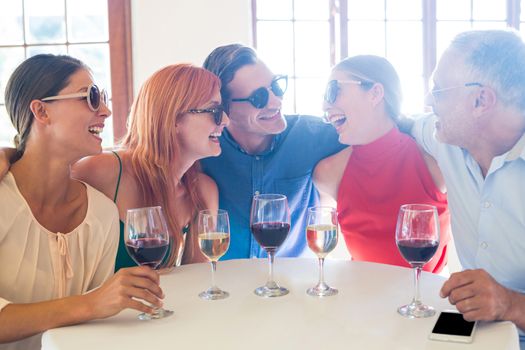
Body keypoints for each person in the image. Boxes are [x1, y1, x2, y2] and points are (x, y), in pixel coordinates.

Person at [0, 54, 164, 350]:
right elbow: (93, 307)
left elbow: (94, 327)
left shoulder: (101, 213)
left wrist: (99, 306)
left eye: (102, 97)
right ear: (41, 111)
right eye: (90, 97)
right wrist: (91, 303)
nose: (106, 110)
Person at [0, 63, 229, 270]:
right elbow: (42, 180)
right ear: (173, 118)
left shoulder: (204, 191)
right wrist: (7, 155)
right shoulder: (104, 172)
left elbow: (195, 280)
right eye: (214, 112)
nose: (226, 121)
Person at [412, 30, 525, 346]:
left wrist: (510, 304)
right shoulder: (444, 137)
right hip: (474, 333)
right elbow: (391, 121)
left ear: (480, 101)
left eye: (438, 91)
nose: (428, 102)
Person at [200, 44, 344, 259]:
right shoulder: (204, 148)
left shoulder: (309, 135)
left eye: (275, 87)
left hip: (294, 285)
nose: (276, 102)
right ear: (223, 107)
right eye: (258, 98)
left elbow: (382, 128)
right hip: (227, 286)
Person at [313, 55, 450, 273]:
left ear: (375, 93)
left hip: (428, 302)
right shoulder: (329, 173)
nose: (324, 105)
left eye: (333, 90)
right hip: (361, 300)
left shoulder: (435, 162)